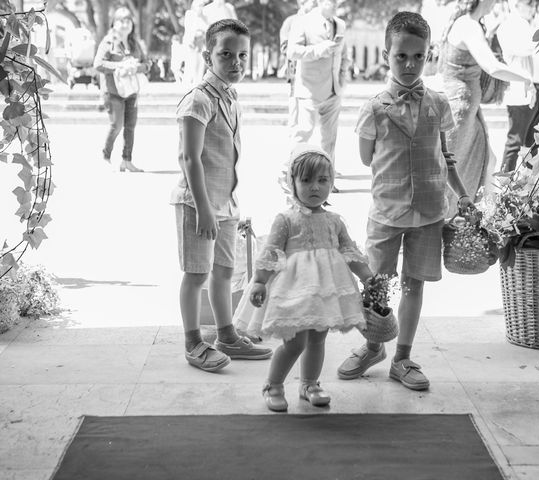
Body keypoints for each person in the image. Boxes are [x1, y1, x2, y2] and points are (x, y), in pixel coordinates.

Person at [336, 12, 474, 391]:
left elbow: (445, 157)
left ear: (429, 55)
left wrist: (462, 195)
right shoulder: (374, 109)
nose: (410, 64)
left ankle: (403, 357)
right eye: (401, 56)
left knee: (415, 284)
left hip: (430, 209)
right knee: (377, 283)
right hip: (387, 210)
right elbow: (367, 158)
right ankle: (372, 345)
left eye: (418, 56)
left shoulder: (438, 104)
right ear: (387, 55)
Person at [233, 144, 373, 412]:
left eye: (323, 180)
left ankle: (310, 384)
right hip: (294, 291)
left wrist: (367, 276)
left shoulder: (334, 221)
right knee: (295, 342)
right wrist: (261, 280)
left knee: (318, 338)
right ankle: (273, 384)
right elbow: (271, 253)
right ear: (292, 183)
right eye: (306, 180)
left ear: (331, 183)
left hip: (324, 292)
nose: (315, 187)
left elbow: (349, 251)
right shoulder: (286, 220)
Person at [170, 19, 272, 373]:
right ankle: (193, 343)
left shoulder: (230, 97)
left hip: (225, 203)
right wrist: (203, 209)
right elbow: (189, 158)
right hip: (198, 204)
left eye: (242, 55)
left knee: (225, 271)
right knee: (196, 274)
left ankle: (227, 335)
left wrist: (227, 206)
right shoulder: (198, 99)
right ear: (207, 55)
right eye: (226, 54)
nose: (236, 62)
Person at [440, 0, 531, 214]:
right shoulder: (468, 25)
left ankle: (487, 220)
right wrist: (525, 78)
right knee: (457, 169)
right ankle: (463, 221)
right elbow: (491, 66)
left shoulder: (470, 23)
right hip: (460, 112)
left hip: (467, 110)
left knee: (487, 162)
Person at [287, 0, 350, 170]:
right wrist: (320, 49)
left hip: (334, 90)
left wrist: (342, 80)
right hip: (309, 89)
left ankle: (327, 178)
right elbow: (292, 51)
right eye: (332, 1)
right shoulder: (303, 21)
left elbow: (345, 55)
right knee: (302, 135)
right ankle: (292, 175)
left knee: (330, 139)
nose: (336, 4)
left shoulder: (340, 24)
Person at [497, 0, 539, 173]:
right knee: (515, 143)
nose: (532, 7)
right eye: (528, 3)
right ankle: (504, 187)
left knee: (534, 143)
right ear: (516, 4)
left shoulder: (530, 25)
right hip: (521, 93)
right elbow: (526, 47)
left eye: (533, 3)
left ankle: (529, 186)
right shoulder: (508, 25)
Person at [93, 7, 149, 172]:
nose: (125, 23)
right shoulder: (108, 42)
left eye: (128, 20)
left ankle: (126, 160)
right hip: (113, 91)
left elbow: (147, 65)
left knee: (130, 126)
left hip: (132, 90)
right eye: (121, 20)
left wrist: (135, 68)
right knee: (117, 125)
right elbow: (98, 64)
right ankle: (105, 155)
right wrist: (119, 66)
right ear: (114, 23)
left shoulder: (135, 43)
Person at [279, 0, 317, 129]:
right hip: (295, 67)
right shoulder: (291, 21)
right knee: (294, 98)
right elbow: (284, 47)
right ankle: (293, 127)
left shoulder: (316, 22)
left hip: (313, 67)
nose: (315, 5)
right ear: (302, 4)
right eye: (312, 3)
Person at [182, 0, 209, 86]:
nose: (200, 8)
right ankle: (188, 82)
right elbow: (188, 29)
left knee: (200, 62)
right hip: (191, 40)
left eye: (202, 6)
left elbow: (208, 28)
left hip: (201, 40)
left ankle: (197, 82)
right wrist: (190, 40)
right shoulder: (189, 14)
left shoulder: (205, 16)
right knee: (191, 62)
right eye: (199, 6)